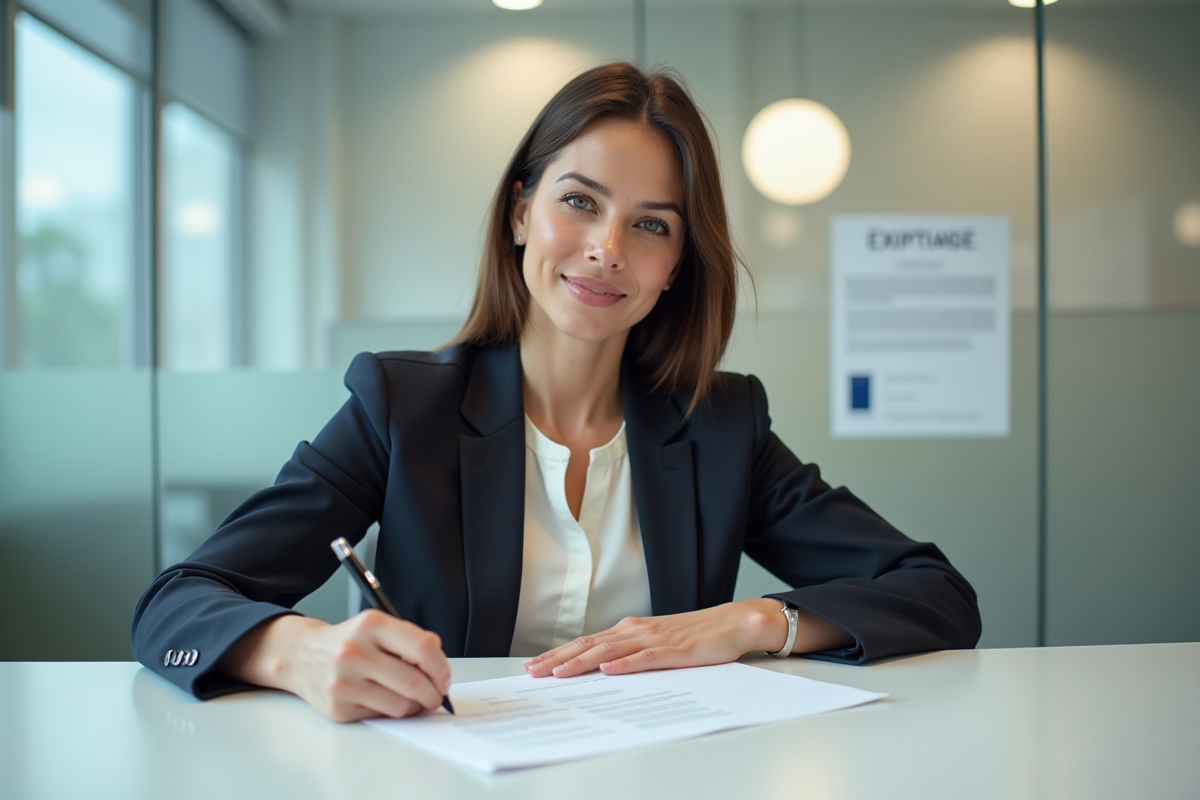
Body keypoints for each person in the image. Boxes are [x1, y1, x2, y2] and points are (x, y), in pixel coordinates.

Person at [131, 62, 981, 723]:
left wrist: (753, 622)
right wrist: (302, 653)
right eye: (580, 202)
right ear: (520, 213)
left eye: (651, 224)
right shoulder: (405, 406)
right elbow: (177, 605)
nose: (608, 248)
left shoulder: (721, 424)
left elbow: (935, 594)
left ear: (676, 265)